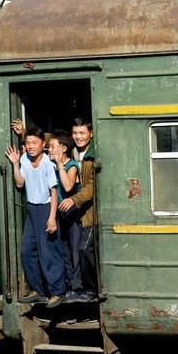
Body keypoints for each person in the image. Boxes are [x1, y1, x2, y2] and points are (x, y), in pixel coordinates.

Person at [5, 126, 66, 308]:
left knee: (49, 252)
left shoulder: (48, 163)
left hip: (47, 208)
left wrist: (52, 217)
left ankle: (57, 291)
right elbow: (19, 183)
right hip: (32, 209)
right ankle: (37, 290)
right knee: (26, 251)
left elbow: (53, 192)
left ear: (42, 145)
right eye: (28, 143)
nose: (31, 146)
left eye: (34, 143)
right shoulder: (24, 158)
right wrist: (16, 164)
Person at [58, 118, 97, 301]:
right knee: (74, 249)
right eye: (75, 133)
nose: (78, 137)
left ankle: (91, 290)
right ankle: (81, 287)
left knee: (84, 249)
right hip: (80, 213)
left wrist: (74, 199)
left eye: (82, 133)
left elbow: (92, 186)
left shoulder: (93, 155)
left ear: (91, 133)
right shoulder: (74, 152)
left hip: (91, 212)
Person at [48, 130, 85, 303]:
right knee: (63, 251)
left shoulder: (71, 166)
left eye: (53, 147)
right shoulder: (52, 165)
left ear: (63, 148)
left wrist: (59, 165)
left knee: (74, 251)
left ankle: (77, 287)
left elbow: (68, 186)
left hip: (73, 215)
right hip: (59, 215)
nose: (50, 150)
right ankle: (68, 286)